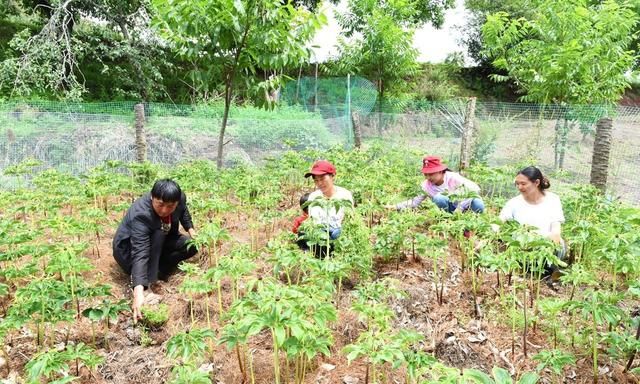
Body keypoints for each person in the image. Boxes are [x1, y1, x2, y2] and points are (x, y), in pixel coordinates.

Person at [112, 179, 198, 323]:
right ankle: (147, 286)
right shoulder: (141, 214)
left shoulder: (179, 198)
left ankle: (157, 271)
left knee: (191, 245)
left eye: (170, 206)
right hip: (128, 250)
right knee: (157, 234)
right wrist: (138, 292)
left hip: (162, 238)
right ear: (152, 197)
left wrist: (192, 231)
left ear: (176, 202)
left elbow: (183, 212)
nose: (164, 210)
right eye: (160, 205)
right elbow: (140, 252)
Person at [499, 166, 566, 280]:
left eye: (523, 184)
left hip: (547, 247)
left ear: (536, 182)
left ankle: (548, 269)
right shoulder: (514, 203)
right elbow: (498, 222)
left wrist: (543, 244)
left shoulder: (553, 200)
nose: (519, 187)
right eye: (517, 184)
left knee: (556, 246)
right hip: (523, 248)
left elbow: (556, 232)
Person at [392, 156, 485, 213]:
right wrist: (395, 207)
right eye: (426, 174)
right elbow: (415, 202)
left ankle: (471, 223)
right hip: (451, 210)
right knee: (439, 198)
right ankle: (448, 218)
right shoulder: (426, 186)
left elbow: (475, 188)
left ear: (440, 171)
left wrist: (460, 209)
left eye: (431, 174)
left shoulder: (453, 177)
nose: (428, 177)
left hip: (466, 207)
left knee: (478, 203)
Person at [305, 160, 354, 239]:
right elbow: (312, 222)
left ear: (333, 176)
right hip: (320, 237)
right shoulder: (313, 197)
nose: (320, 183)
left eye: (322, 179)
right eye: (316, 180)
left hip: (339, 235)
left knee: (337, 234)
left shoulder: (345, 195)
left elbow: (349, 220)